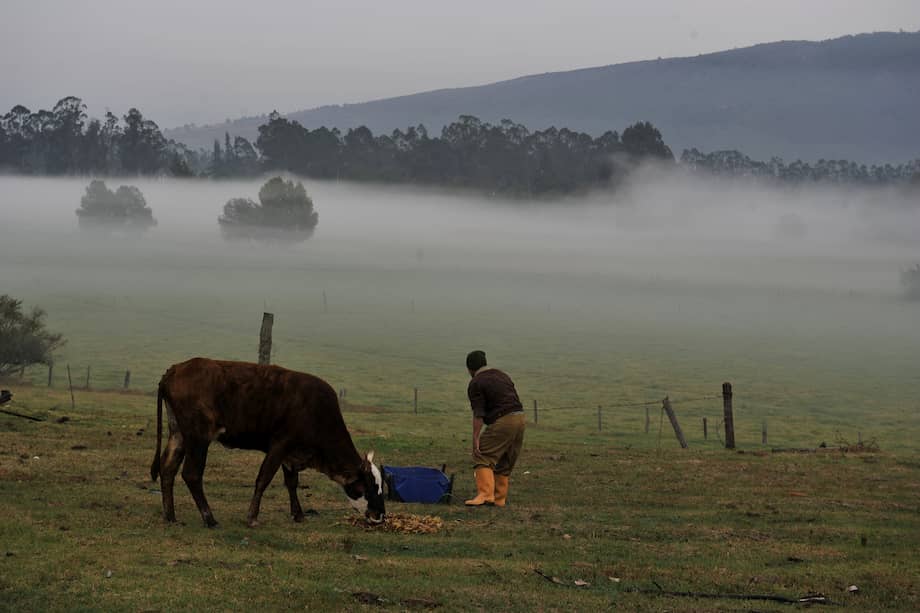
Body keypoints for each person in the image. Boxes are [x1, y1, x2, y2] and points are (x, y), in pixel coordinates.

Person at [464, 350, 526, 507]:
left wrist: (476, 438)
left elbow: (478, 414)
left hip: (504, 419)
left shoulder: (476, 382)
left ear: (470, 368)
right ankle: (499, 499)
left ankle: (485, 495)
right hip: (520, 418)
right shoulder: (501, 375)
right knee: (505, 459)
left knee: (482, 454)